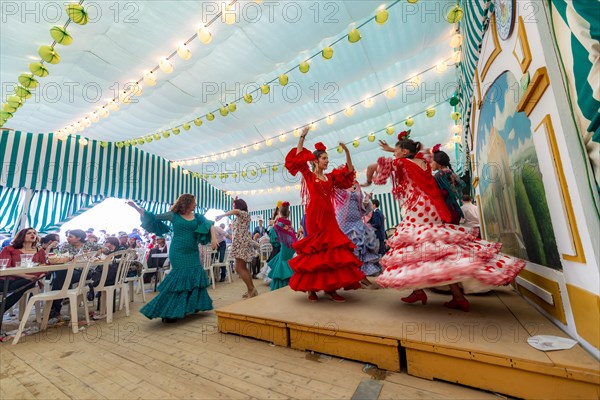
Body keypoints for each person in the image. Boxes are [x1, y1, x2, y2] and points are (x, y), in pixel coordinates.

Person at [364, 134, 526, 312]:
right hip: (432, 208)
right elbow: (417, 152)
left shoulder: (401, 163)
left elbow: (372, 167)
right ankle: (452, 295)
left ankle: (423, 292)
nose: (394, 154)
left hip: (417, 208)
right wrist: (393, 150)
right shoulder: (423, 162)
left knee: (417, 248)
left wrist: (368, 181)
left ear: (404, 151)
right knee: (437, 251)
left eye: (396, 151)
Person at [284, 127, 364, 302]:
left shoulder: (331, 177)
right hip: (313, 216)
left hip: (329, 217)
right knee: (315, 251)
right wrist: (302, 137)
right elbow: (298, 157)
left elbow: (349, 171)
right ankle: (311, 289)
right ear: (316, 161)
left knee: (331, 251)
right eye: (324, 158)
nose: (327, 161)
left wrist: (348, 152)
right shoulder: (309, 175)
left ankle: (331, 288)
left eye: (328, 158)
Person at [128, 194, 217, 323]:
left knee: (193, 278)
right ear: (186, 203)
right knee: (179, 280)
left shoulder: (197, 217)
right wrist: (135, 207)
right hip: (178, 251)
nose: (195, 205)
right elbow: (152, 217)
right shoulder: (173, 215)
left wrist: (214, 239)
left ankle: (190, 306)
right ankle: (168, 311)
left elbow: (210, 224)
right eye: (193, 202)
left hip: (192, 251)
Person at [334, 181, 382, 286]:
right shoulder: (339, 186)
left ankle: (361, 276)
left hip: (357, 222)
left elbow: (363, 207)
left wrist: (366, 199)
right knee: (346, 250)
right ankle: (347, 277)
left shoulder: (357, 186)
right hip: (343, 223)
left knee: (360, 248)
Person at [216, 198, 258, 298]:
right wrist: (234, 201)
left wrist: (221, 215)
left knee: (239, 268)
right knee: (241, 268)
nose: (233, 208)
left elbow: (236, 211)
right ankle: (251, 289)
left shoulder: (243, 214)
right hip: (240, 244)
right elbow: (235, 212)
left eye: (234, 206)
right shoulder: (241, 216)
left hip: (241, 244)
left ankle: (251, 289)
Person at [0, 228, 47, 315]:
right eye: (29, 233)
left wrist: (41, 275)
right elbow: (5, 267)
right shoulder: (9, 249)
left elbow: (44, 266)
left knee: (21, 284)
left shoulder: (40, 251)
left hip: (29, 280)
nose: (33, 235)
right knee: (12, 286)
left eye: (34, 233)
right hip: (9, 277)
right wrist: (25, 275)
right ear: (21, 236)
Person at [431, 144, 465, 225]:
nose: (430, 164)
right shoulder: (449, 172)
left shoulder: (439, 175)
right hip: (454, 208)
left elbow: (442, 193)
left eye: (432, 161)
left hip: (447, 210)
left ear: (438, 162)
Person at [267, 202, 297, 290]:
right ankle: (290, 281)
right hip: (291, 246)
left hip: (284, 246)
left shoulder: (279, 223)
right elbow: (292, 235)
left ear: (280, 213)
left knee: (282, 262)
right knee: (288, 261)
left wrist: (274, 221)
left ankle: (281, 284)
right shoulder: (289, 223)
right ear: (288, 214)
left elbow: (274, 231)